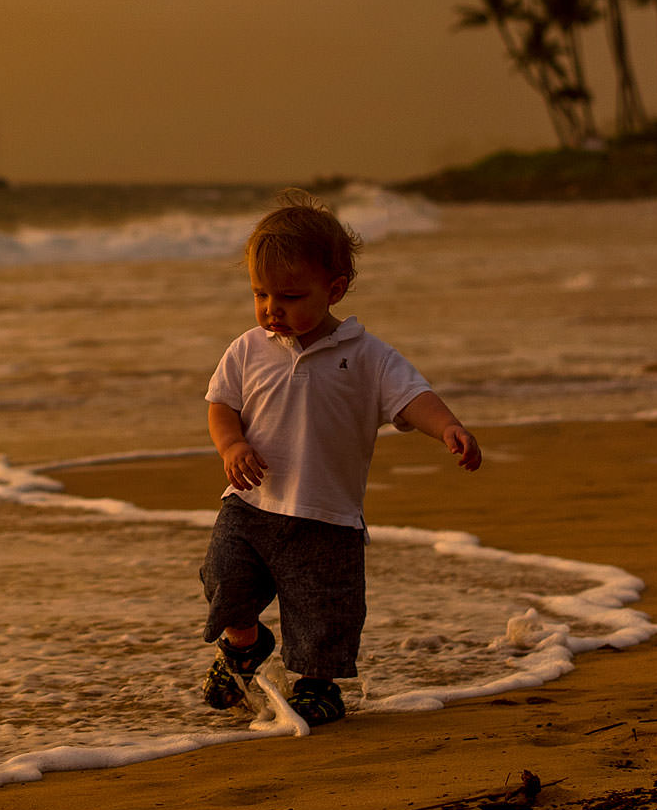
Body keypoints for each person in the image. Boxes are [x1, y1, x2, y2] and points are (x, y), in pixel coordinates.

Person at [198, 192, 481, 727]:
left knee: (323, 611)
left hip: (326, 515)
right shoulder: (247, 348)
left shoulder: (368, 356)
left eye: (289, 296)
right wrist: (232, 445)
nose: (270, 309)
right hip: (251, 504)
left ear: (334, 290)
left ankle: (318, 686)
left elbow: (411, 397)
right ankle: (243, 644)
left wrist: (448, 427)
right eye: (259, 295)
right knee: (224, 577)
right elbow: (221, 405)